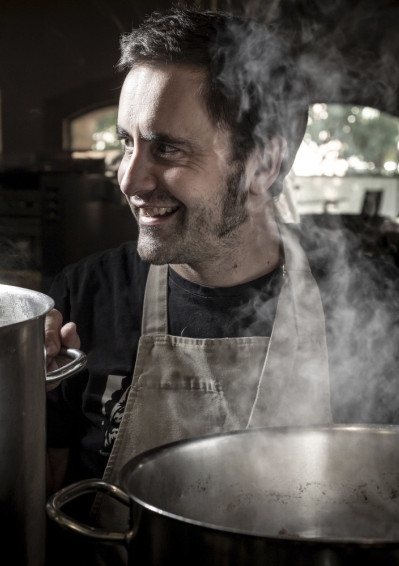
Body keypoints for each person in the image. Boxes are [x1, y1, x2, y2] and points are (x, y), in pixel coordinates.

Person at [44, 6, 332, 539]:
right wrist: (9, 397)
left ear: (264, 165)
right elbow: (40, 499)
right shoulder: (80, 300)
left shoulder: (362, 315)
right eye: (126, 142)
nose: (129, 179)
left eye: (167, 148)